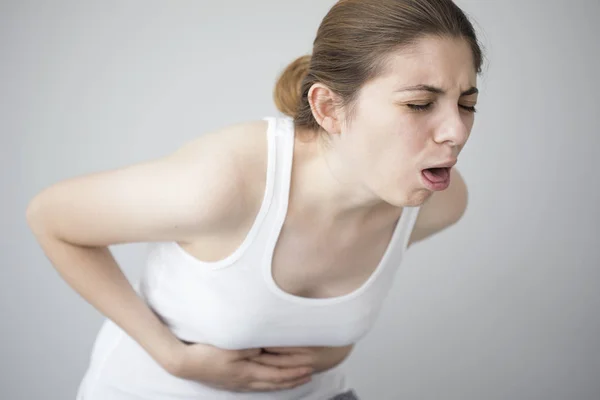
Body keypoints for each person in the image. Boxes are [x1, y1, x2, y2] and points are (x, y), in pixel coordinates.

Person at [26, 0, 484, 398]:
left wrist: (334, 346)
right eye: (420, 104)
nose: (456, 131)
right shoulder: (224, 184)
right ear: (328, 108)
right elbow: (49, 217)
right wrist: (173, 358)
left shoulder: (440, 202)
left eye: (467, 103)